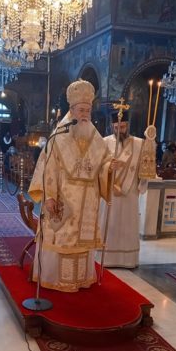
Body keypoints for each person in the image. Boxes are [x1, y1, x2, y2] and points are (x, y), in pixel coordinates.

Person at [28, 79, 117, 292]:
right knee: (61, 238)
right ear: (72, 110)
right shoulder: (58, 135)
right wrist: (50, 196)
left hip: (88, 202)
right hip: (63, 198)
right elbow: (49, 168)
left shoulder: (96, 138)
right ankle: (55, 278)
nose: (85, 114)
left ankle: (81, 279)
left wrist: (109, 168)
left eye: (88, 110)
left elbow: (103, 164)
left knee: (81, 242)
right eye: (81, 110)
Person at [100, 110, 157, 268]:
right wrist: (108, 167)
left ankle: (128, 259)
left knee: (128, 224)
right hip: (110, 189)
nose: (120, 130)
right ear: (112, 126)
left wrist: (151, 142)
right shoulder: (104, 142)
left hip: (129, 192)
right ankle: (106, 257)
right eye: (117, 127)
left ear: (128, 125)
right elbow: (97, 166)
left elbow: (146, 165)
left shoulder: (139, 143)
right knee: (109, 223)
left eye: (123, 127)